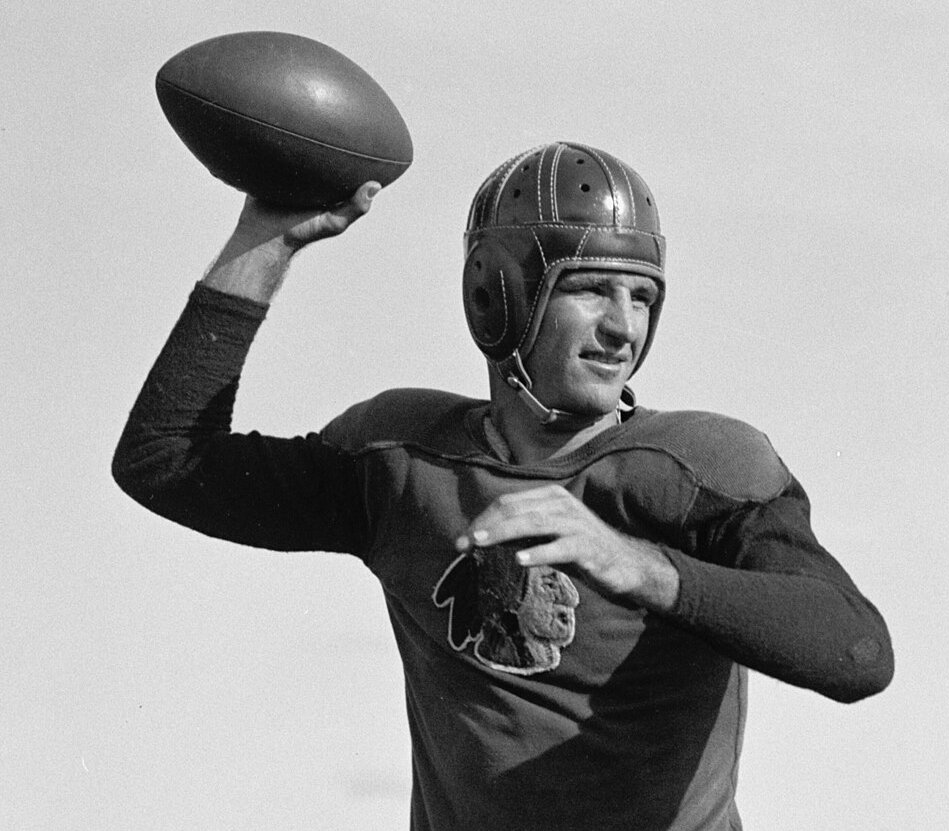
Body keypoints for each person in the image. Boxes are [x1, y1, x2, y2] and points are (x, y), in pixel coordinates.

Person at [113, 141, 893, 830]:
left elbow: (857, 650)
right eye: (592, 288)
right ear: (500, 295)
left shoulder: (699, 466)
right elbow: (165, 461)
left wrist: (641, 568)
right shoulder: (403, 459)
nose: (625, 327)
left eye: (644, 296)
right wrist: (265, 242)